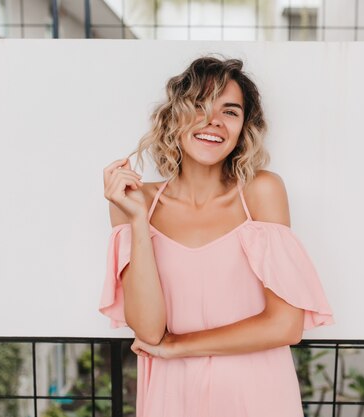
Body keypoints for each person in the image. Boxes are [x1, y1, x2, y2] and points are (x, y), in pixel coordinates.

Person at [100, 54, 334, 417]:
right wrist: (138, 222)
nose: (214, 121)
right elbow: (148, 331)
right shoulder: (136, 201)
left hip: (257, 394)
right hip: (172, 396)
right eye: (199, 104)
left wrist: (177, 347)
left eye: (230, 111)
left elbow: (285, 325)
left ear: (244, 127)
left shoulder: (262, 192)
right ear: (173, 116)